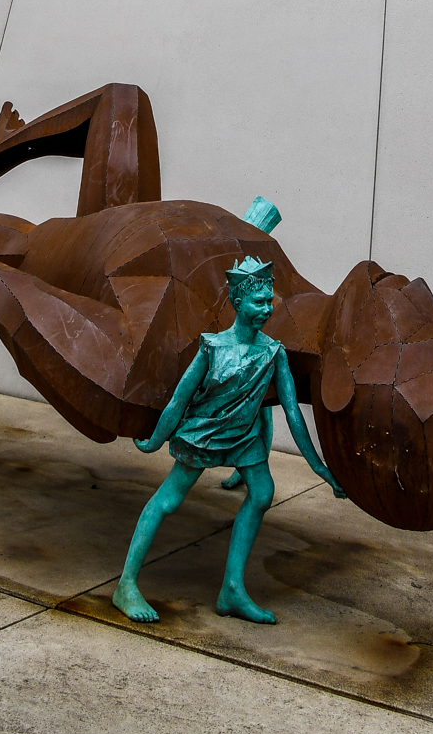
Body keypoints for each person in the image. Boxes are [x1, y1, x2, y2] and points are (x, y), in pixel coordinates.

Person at [112, 256, 345, 625]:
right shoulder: (213, 347)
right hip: (204, 433)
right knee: (168, 500)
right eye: (258, 302)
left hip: (244, 438)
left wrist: (322, 470)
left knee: (262, 492)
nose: (266, 310)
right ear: (237, 302)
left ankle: (232, 589)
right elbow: (179, 399)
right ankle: (126, 584)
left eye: (269, 302)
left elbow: (294, 415)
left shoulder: (273, 352)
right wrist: (155, 440)